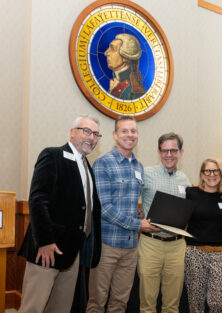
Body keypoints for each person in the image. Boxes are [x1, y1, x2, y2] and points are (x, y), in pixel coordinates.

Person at [17, 114, 103, 313]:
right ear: (72, 133)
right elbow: (38, 200)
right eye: (86, 131)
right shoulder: (52, 155)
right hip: (47, 250)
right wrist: (45, 241)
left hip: (71, 253)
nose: (91, 137)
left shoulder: (86, 166)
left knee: (60, 308)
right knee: (33, 308)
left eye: (96, 134)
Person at [87, 115, 159, 313]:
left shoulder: (138, 167)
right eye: (125, 131)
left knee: (120, 303)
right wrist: (139, 225)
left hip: (130, 247)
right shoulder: (103, 163)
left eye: (133, 131)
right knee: (97, 302)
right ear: (115, 135)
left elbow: (129, 202)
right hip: (106, 245)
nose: (130, 135)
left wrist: (140, 214)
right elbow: (105, 207)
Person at [138, 132, 191, 313]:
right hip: (150, 243)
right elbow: (130, 199)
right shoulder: (146, 173)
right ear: (159, 152)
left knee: (172, 304)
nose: (169, 155)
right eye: (165, 151)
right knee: (147, 304)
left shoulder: (185, 180)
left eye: (173, 150)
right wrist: (139, 217)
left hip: (177, 246)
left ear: (180, 152)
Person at [185, 158, 222, 313]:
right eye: (208, 171)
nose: (212, 174)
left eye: (216, 170)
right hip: (194, 252)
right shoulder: (191, 193)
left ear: (221, 173)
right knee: (195, 300)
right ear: (202, 174)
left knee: (219, 300)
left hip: (221, 253)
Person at [105, 33, 146, 100]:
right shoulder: (115, 83)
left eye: (112, 49)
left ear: (125, 57)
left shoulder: (135, 91)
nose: (106, 53)